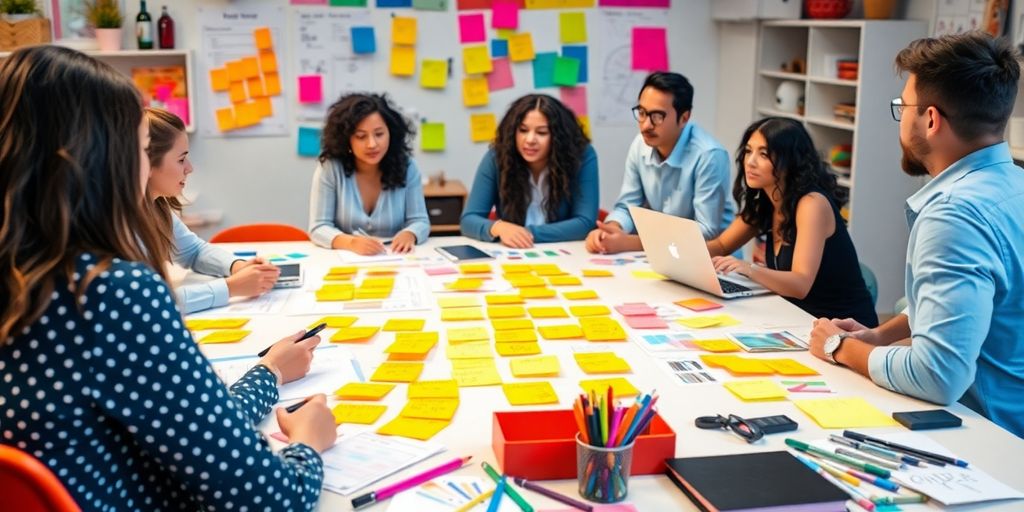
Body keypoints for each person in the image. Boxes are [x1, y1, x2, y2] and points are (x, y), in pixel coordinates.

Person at [0, 46, 337, 509]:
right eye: (140, 149)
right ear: (101, 159)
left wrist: (269, 372)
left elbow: (189, 427)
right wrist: (309, 444)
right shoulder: (109, 294)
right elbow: (272, 498)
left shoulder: (27, 279)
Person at [809, 32, 1024, 438]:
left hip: (989, 441)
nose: (901, 117)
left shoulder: (954, 216)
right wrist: (881, 334)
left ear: (930, 119)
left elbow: (938, 376)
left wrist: (842, 348)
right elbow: (975, 305)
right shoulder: (1015, 185)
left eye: (903, 107)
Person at [706, 117, 878, 327]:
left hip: (843, 328)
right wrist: (679, 252)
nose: (750, 161)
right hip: (798, 319)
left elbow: (800, 283)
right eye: (748, 151)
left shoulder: (812, 204)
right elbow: (722, 245)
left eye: (763, 154)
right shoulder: (767, 201)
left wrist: (749, 268)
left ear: (790, 160)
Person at [145, 107, 280, 314]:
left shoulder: (156, 208)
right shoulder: (118, 225)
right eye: (181, 160)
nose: (189, 168)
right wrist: (230, 287)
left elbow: (193, 252)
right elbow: (149, 304)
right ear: (147, 165)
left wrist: (238, 267)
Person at [586, 72, 733, 254]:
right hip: (665, 255)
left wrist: (632, 242)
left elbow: (706, 231)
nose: (646, 125)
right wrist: (612, 229)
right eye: (641, 113)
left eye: (657, 116)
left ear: (684, 118)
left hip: (714, 261)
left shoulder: (709, 155)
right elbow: (627, 206)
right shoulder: (640, 144)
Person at [461, 94, 598, 247]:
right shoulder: (498, 156)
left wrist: (523, 234)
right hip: (512, 253)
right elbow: (469, 219)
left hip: (564, 252)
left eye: (542, 132)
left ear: (560, 138)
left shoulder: (582, 156)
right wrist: (498, 228)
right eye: (523, 130)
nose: (530, 140)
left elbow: (585, 223)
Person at [309, 93, 429, 255]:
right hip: (345, 259)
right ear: (346, 139)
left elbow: (420, 221)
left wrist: (410, 234)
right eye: (361, 136)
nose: (372, 144)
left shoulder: (408, 166)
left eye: (379, 134)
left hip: (395, 258)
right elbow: (318, 227)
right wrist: (350, 242)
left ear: (390, 134)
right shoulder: (330, 168)